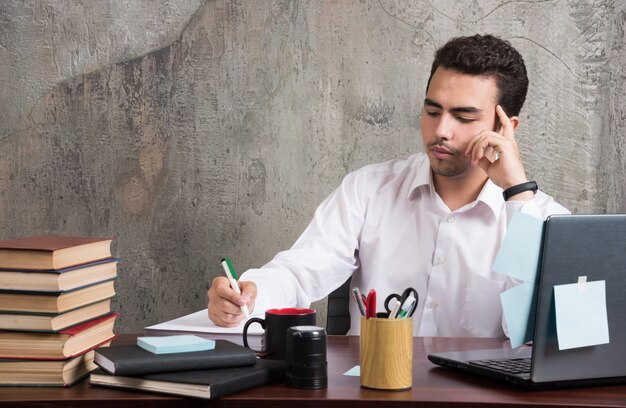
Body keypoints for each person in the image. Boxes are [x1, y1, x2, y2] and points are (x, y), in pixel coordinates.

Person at [207, 34, 569, 337]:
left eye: (463, 116)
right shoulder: (368, 190)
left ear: (507, 127)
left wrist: (518, 195)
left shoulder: (544, 220)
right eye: (432, 111)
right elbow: (301, 271)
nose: (441, 130)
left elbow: (540, 333)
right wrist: (252, 294)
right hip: (369, 390)